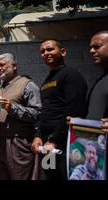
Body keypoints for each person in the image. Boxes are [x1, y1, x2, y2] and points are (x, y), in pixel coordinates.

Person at [32, 39, 87, 180]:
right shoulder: (45, 82)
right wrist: (38, 135)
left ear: (63, 52)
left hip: (63, 142)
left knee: (64, 175)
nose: (45, 53)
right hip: (47, 144)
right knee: (50, 174)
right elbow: (43, 111)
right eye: (42, 51)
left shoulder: (71, 75)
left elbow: (74, 110)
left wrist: (54, 139)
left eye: (50, 49)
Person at [72, 30, 108, 179]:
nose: (91, 51)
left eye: (97, 46)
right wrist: (78, 123)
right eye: (91, 47)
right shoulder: (101, 78)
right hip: (103, 162)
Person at [0, 53, 42, 180]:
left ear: (14, 66)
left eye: (2, 65)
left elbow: (37, 114)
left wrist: (13, 108)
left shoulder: (27, 85)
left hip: (17, 143)